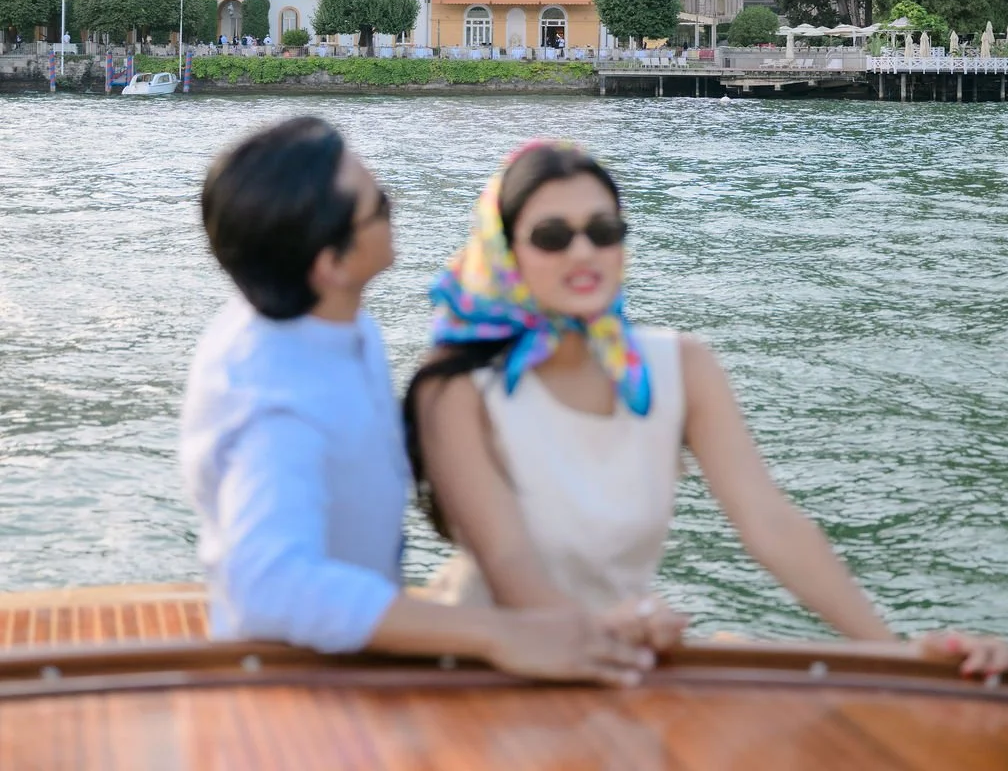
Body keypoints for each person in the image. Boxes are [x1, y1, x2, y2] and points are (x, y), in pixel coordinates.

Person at [406, 140, 1008, 678]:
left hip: (623, 660)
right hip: (481, 673)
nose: (583, 252)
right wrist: (608, 632)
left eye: (604, 230)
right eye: (552, 236)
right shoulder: (456, 389)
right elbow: (508, 562)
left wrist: (899, 657)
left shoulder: (680, 368)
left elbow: (771, 523)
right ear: (505, 250)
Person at [180, 117, 654, 684]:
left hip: (352, 659)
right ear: (331, 263)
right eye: (379, 203)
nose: (395, 204)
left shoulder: (331, 323)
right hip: (294, 688)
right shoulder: (273, 398)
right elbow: (270, 586)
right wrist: (500, 635)